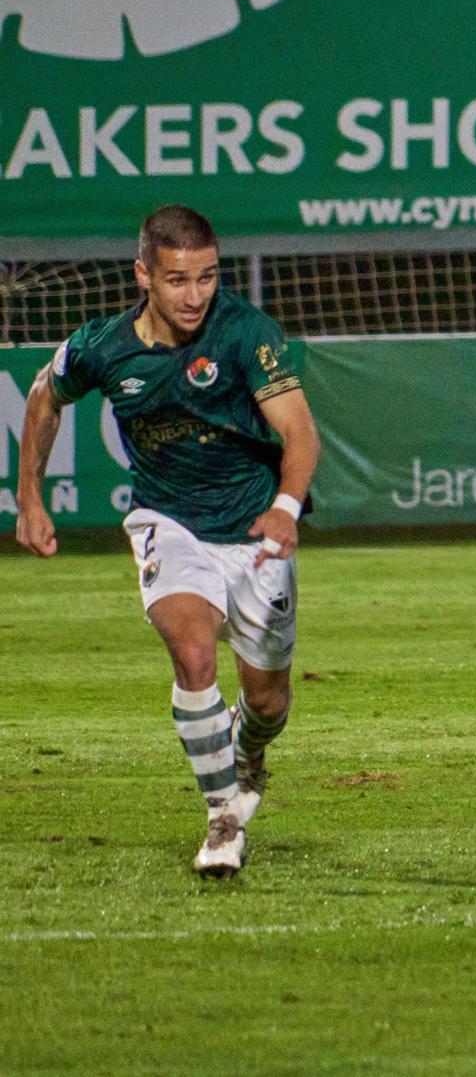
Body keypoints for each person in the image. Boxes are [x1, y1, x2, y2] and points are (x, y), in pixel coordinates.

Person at [12, 205, 320, 877]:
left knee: (267, 704)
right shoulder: (105, 345)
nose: (195, 295)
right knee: (191, 651)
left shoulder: (245, 332)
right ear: (144, 274)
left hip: (253, 532)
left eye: (207, 277)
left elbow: (299, 431)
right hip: (167, 522)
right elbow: (44, 392)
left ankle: (249, 750)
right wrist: (29, 497)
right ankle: (223, 818)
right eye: (179, 280)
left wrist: (287, 506)